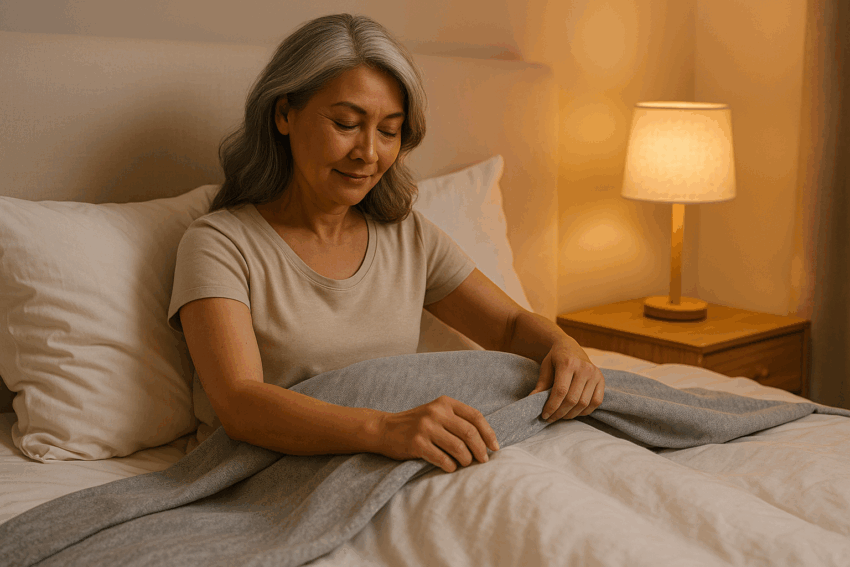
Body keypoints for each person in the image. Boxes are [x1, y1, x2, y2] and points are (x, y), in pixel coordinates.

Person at [168, 13, 604, 474]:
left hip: (396, 462)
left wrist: (563, 345)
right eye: (346, 123)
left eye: (389, 131)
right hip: (273, 468)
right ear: (283, 115)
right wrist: (384, 430)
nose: (369, 153)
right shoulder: (220, 244)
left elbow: (511, 326)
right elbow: (240, 403)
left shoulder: (407, 235)